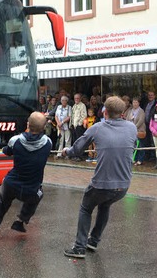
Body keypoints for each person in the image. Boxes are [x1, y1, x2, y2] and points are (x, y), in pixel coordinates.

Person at [62, 96, 138, 258]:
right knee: (104, 205)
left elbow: (76, 150)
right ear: (122, 112)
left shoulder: (97, 128)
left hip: (102, 184)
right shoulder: (131, 128)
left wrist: (66, 152)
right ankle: (93, 240)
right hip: (123, 186)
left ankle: (79, 247)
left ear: (105, 112)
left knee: (85, 208)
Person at [0, 112, 52, 240]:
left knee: (3, 202)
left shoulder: (15, 140)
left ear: (28, 124)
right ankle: (20, 221)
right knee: (39, 194)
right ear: (43, 128)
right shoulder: (48, 143)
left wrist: (4, 149)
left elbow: (7, 151)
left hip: (11, 185)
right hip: (31, 190)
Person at [126, 97, 146, 166]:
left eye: (136, 102)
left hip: (139, 130)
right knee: (133, 145)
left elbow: (141, 121)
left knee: (140, 145)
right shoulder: (130, 111)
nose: (135, 104)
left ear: (138, 103)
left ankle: (140, 159)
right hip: (131, 131)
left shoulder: (141, 111)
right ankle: (134, 158)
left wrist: (134, 127)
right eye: (133, 102)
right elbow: (127, 119)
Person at [70, 93, 87, 160]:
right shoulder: (74, 106)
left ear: (80, 99)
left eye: (77, 98)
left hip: (79, 126)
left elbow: (84, 115)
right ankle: (75, 155)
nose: (76, 99)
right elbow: (72, 116)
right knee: (74, 141)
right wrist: (71, 124)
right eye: (75, 98)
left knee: (79, 141)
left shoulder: (82, 106)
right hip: (73, 126)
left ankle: (79, 156)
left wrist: (79, 124)